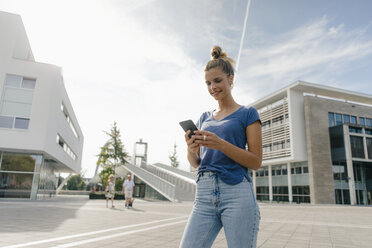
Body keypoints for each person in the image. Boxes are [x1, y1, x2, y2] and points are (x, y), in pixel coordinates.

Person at [179, 46, 262, 248]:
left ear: (231, 79)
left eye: (217, 81)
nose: (212, 87)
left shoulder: (248, 114)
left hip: (237, 193)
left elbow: (256, 161)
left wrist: (221, 144)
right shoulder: (204, 117)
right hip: (204, 194)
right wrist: (191, 149)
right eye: (208, 83)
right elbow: (197, 163)